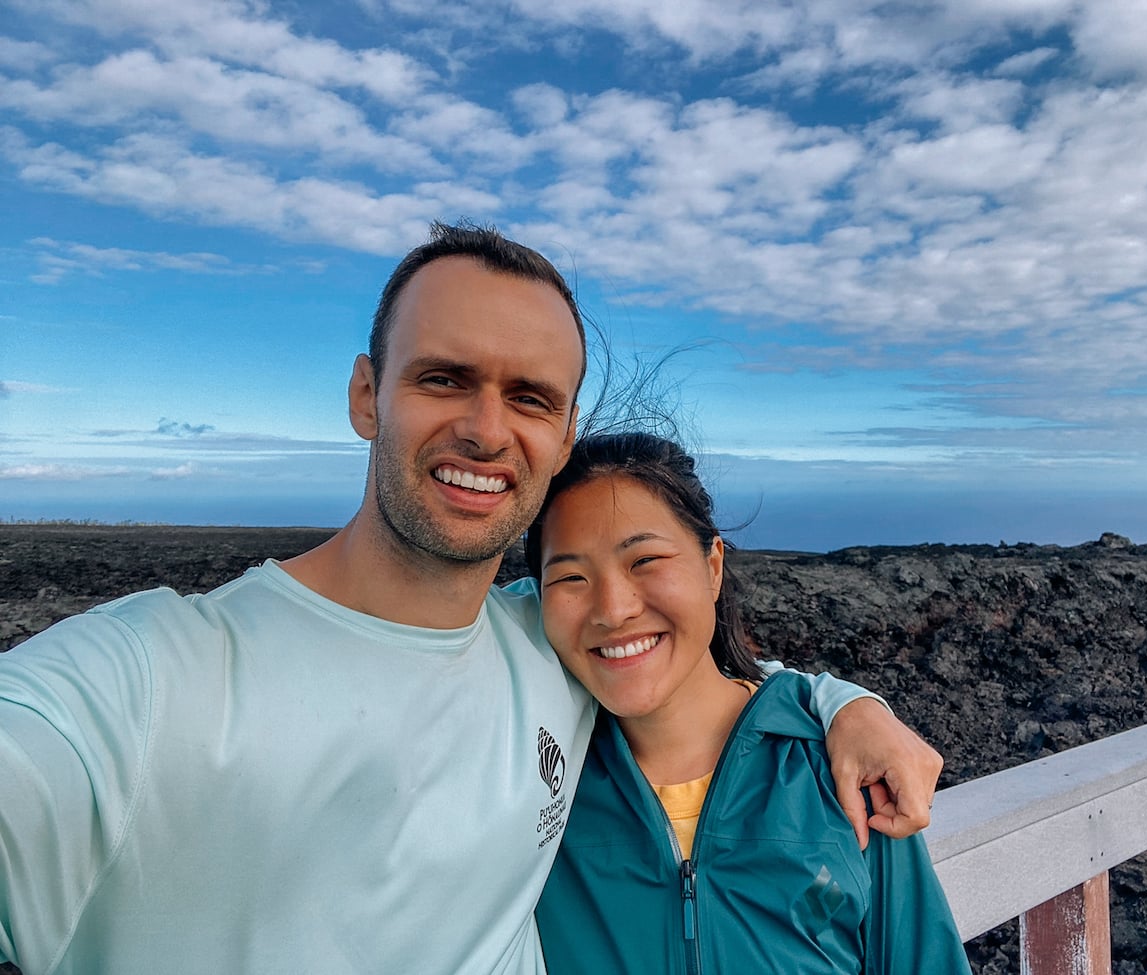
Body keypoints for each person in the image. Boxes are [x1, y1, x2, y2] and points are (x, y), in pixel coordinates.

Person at [0, 223, 942, 975]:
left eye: (529, 396)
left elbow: (677, 650)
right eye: (444, 378)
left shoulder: (544, 644)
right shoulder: (148, 680)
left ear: (564, 433)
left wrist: (839, 704)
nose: (487, 429)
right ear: (366, 394)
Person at [529, 431, 970, 973]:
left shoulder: (842, 774)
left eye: (644, 560)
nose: (613, 609)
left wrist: (847, 705)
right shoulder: (536, 789)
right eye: (571, 576)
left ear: (713, 566)